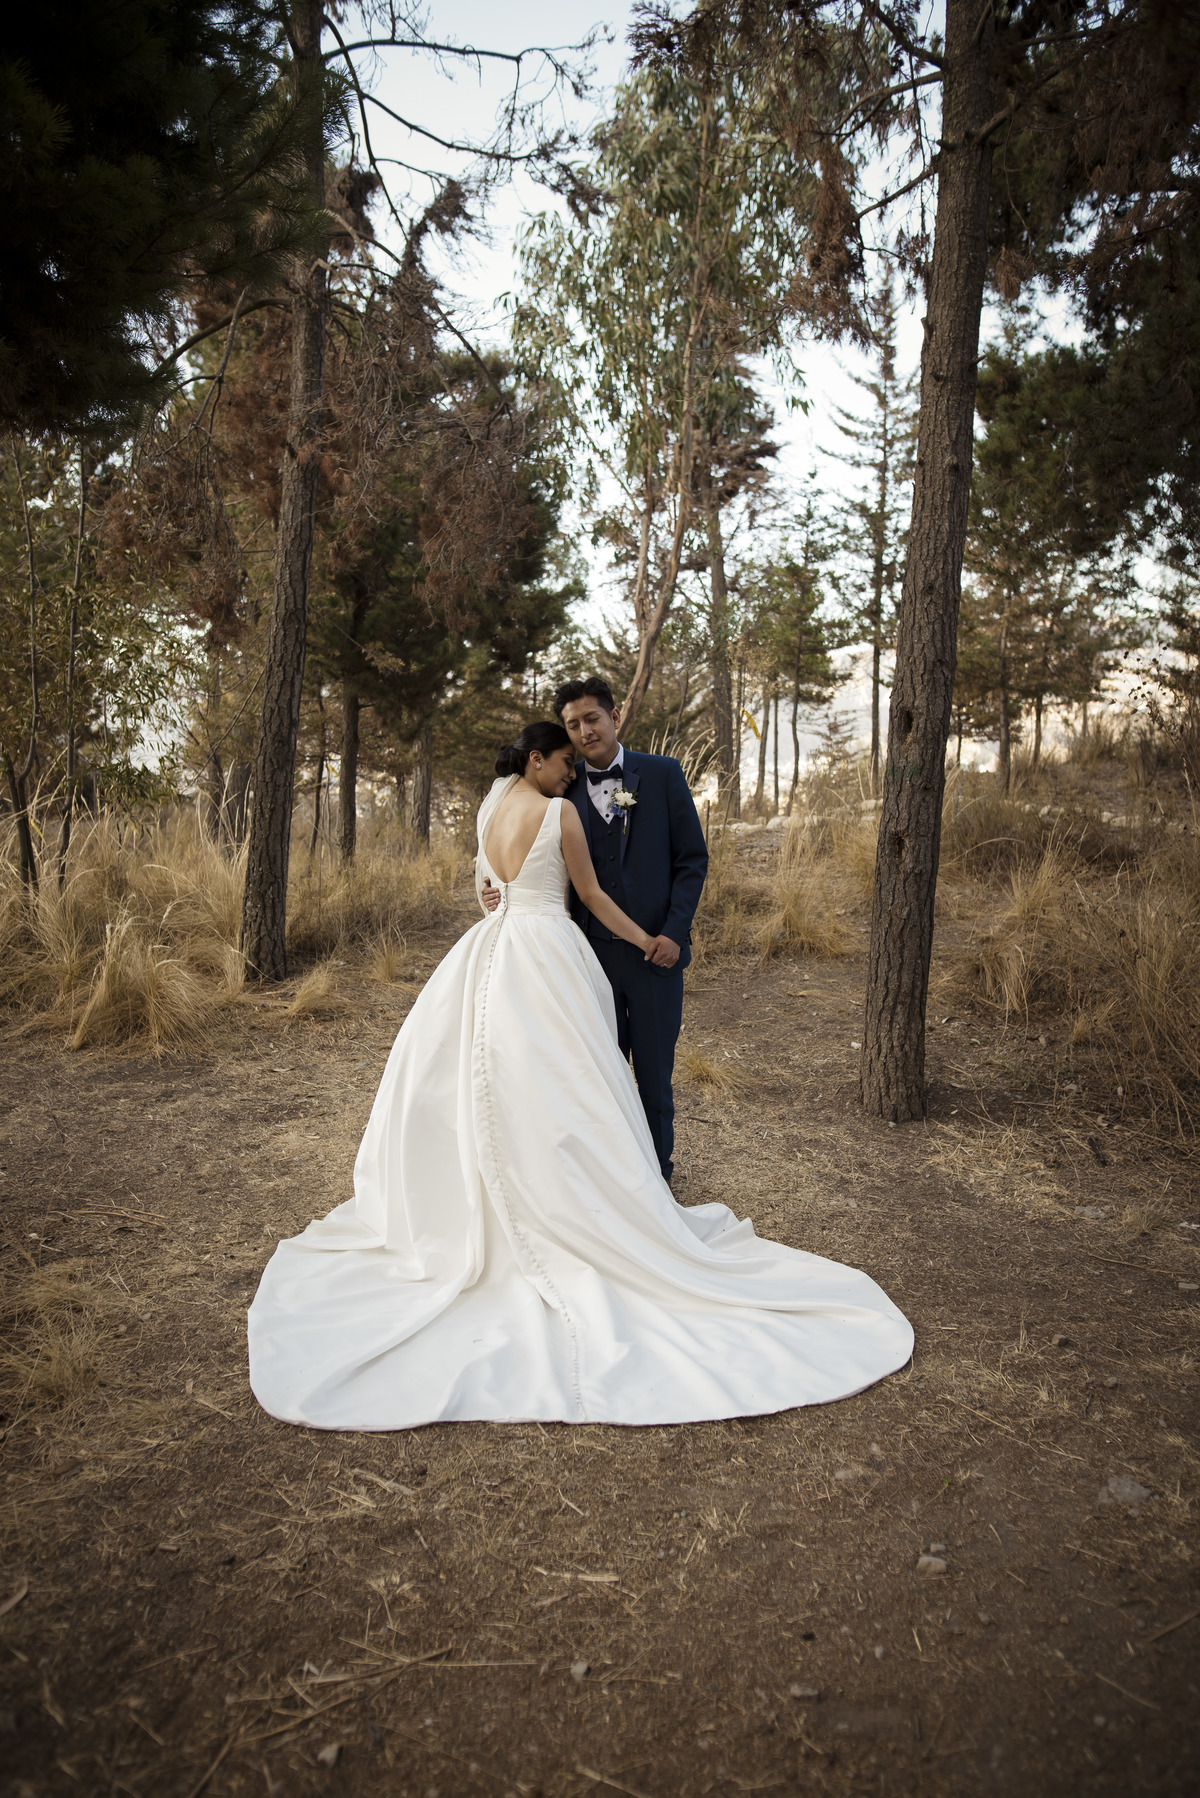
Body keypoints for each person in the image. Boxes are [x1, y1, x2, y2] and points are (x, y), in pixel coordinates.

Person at [247, 721, 913, 1431]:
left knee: (491, 1074)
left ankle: (490, 1195)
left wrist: (503, 904)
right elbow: (591, 897)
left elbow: (484, 890)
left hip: (492, 946)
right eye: (563, 762)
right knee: (561, 1078)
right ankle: (563, 1200)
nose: (572, 772)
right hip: (547, 947)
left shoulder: (490, 805)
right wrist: (647, 941)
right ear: (536, 760)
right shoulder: (559, 811)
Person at [482, 676, 705, 1184]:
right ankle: (604, 1179)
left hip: (656, 957)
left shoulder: (664, 774)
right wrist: (496, 892)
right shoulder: (560, 783)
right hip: (583, 961)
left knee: (653, 1077)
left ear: (614, 717)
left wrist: (673, 932)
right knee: (593, 1076)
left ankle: (656, 1178)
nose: (584, 731)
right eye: (573, 724)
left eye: (592, 719)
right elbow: (522, 859)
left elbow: (691, 860)